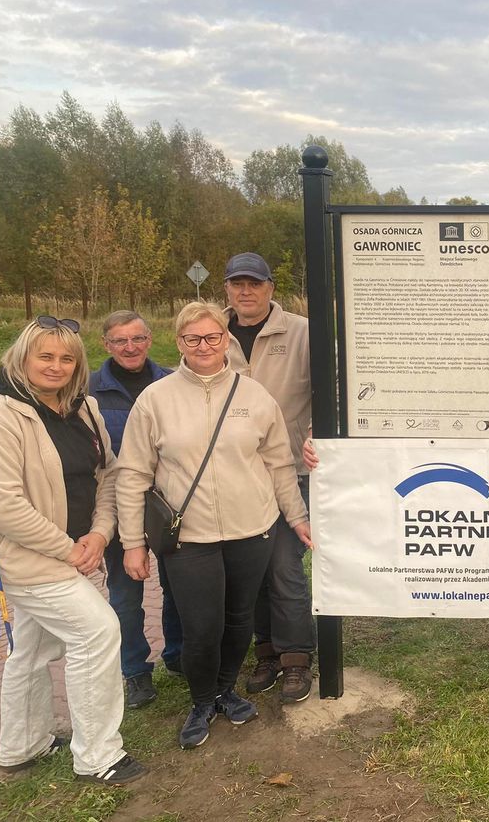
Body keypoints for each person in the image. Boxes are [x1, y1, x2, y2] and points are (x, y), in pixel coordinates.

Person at [115, 302, 312, 750]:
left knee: (240, 618)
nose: (203, 346)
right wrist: (132, 542)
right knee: (201, 626)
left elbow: (280, 463)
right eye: (192, 339)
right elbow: (132, 475)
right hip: (190, 538)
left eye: (212, 337)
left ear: (226, 339)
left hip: (252, 530)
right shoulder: (156, 400)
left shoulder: (255, 396)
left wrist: (296, 517)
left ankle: (226, 689)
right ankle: (202, 700)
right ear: (178, 342)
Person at [0, 317, 147, 785]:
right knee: (98, 631)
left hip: (76, 550)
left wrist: (101, 534)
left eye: (67, 358)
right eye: (45, 355)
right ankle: (98, 756)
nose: (56, 366)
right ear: (22, 357)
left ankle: (23, 746)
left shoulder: (83, 408)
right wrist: (68, 550)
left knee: (32, 648)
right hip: (26, 560)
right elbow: (1, 504)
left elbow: (108, 473)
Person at [223, 252, 316, 704]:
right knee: (253, 569)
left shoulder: (300, 332)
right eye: (237, 284)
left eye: (254, 284)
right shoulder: (213, 335)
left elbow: (328, 387)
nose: (245, 292)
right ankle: (267, 653)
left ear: (270, 288)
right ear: (226, 289)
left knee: (283, 565)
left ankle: (297, 656)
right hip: (236, 475)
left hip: (292, 470)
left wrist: (318, 434)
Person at [89, 310, 182, 709]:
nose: (130, 348)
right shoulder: (91, 390)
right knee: (126, 595)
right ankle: (136, 672)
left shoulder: (173, 382)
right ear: (106, 345)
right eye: (120, 341)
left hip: (170, 502)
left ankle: (178, 655)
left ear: (150, 339)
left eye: (138, 339)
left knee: (177, 587)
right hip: (119, 502)